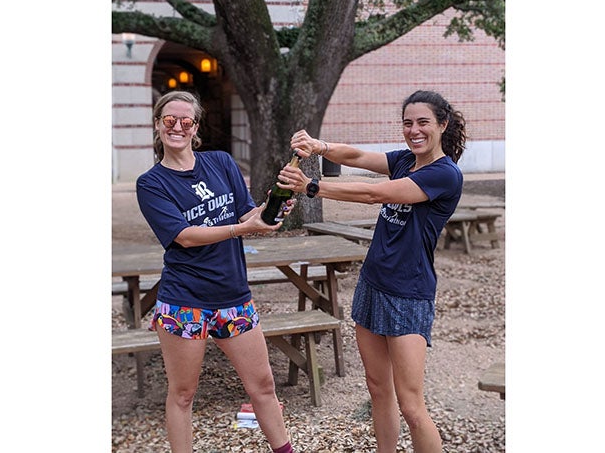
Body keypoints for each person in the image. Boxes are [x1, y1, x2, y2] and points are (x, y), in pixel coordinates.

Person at [280, 90, 466, 453]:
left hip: (408, 293)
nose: (414, 130)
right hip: (372, 284)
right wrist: (320, 146)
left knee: (411, 404)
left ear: (442, 125)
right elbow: (359, 156)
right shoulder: (404, 160)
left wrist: (312, 187)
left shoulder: (445, 175)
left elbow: (376, 194)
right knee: (378, 389)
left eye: (423, 122)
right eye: (408, 123)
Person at [135, 91, 296, 453]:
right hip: (184, 303)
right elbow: (184, 236)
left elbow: (245, 214)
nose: (177, 127)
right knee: (183, 394)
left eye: (185, 121)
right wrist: (243, 230)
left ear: (195, 127)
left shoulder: (222, 162)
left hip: (233, 296)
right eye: (169, 120)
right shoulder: (151, 183)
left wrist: (270, 212)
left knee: (263, 387)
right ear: (158, 125)